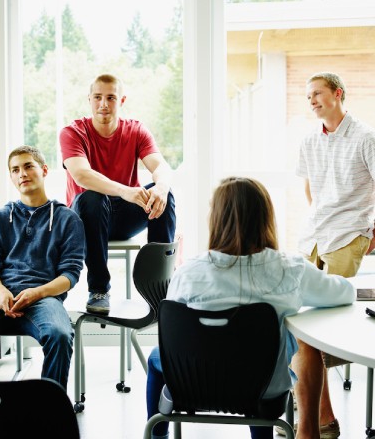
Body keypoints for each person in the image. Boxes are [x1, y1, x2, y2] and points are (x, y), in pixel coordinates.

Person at [145, 177, 354, 439]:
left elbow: (174, 336)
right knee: (255, 363)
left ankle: (158, 435)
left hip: (191, 387)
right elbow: (345, 293)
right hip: (262, 389)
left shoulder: (188, 272)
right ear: (266, 218)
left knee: (156, 359)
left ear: (216, 220)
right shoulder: (290, 270)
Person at [290, 72, 375, 439]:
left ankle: (317, 422)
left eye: (318, 94)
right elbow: (311, 191)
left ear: (338, 94)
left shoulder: (366, 138)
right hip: (313, 236)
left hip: (349, 234)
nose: (312, 101)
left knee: (329, 326)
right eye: (308, 96)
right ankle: (321, 417)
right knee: (297, 322)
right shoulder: (309, 141)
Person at [59, 73, 176, 314]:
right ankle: (99, 290)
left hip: (123, 217)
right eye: (98, 97)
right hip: (85, 218)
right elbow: (82, 175)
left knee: (164, 194)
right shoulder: (73, 132)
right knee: (92, 196)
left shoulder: (136, 130)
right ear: (89, 99)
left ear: (121, 101)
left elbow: (160, 167)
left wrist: (162, 188)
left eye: (110, 98)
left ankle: (159, 287)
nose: (104, 104)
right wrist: (126, 191)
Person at [0, 145, 85, 390]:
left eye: (28, 166)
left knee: (59, 334)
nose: (21, 173)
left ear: (44, 170)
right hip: (0, 298)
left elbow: (70, 274)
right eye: (15, 170)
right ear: (11, 177)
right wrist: (1, 292)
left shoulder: (68, 219)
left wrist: (38, 292)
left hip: (44, 299)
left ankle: (50, 411)